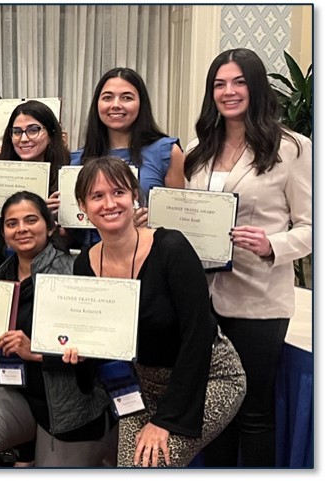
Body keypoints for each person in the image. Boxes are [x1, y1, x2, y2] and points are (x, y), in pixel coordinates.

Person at [72, 156, 246, 467]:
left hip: (208, 376)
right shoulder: (84, 263)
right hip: (141, 387)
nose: (109, 203)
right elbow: (106, 339)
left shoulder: (171, 248)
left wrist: (165, 421)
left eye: (118, 192)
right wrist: (83, 353)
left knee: (150, 466)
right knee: (129, 466)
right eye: (97, 196)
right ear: (82, 207)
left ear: (135, 196)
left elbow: (197, 336)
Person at [185, 48, 312, 468]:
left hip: (258, 301)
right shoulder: (198, 149)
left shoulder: (293, 148)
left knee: (253, 412)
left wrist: (273, 244)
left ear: (256, 87)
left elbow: (312, 227)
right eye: (220, 84)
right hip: (202, 301)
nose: (229, 91)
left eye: (239, 82)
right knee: (214, 409)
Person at [0, 191, 116, 467]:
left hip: (69, 402)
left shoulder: (75, 272)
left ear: (50, 226)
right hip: (13, 389)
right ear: (4, 233)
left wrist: (37, 352)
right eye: (12, 223)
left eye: (31, 220)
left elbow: (97, 347)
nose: (21, 229)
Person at [71, 67, 185, 204]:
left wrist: (150, 219)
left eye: (126, 98)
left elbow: (176, 217)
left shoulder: (166, 152)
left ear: (141, 104)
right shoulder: (77, 160)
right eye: (107, 98)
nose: (116, 105)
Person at [0, 100, 70, 269]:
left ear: (51, 134)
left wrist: (56, 220)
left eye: (33, 130)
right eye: (16, 132)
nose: (23, 139)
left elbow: (74, 238)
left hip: (53, 268)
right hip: (5, 266)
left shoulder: (67, 176)